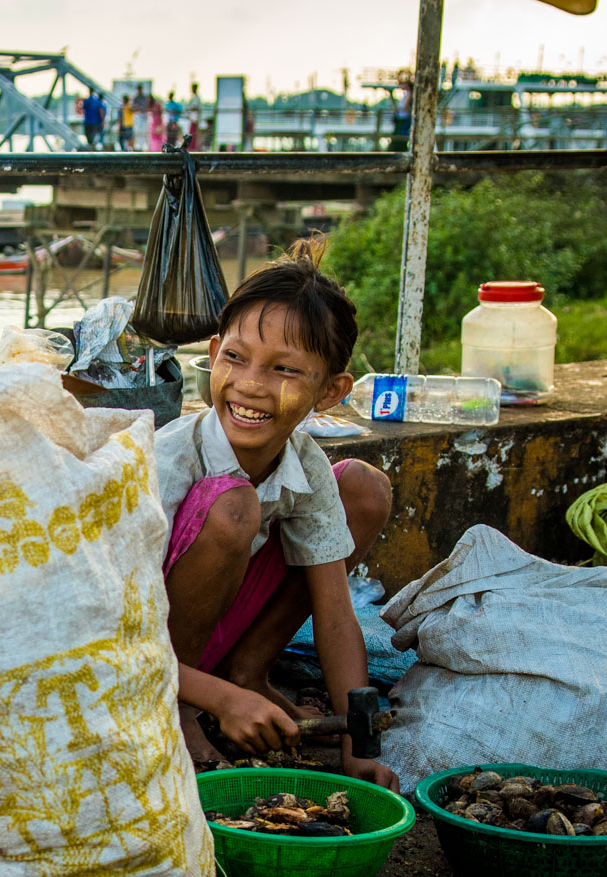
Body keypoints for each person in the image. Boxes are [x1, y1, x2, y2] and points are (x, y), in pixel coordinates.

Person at [153, 238, 398, 792]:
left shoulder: (304, 465)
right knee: (234, 503)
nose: (251, 385)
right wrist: (214, 699)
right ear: (213, 354)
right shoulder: (170, 460)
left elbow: (335, 616)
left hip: (218, 634)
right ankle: (180, 707)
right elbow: (110, 628)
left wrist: (357, 744)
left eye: (285, 369)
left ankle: (248, 675)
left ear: (330, 391)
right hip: (146, 647)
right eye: (235, 358)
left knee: (361, 485)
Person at [392, 76, 413, 152]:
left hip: (404, 117)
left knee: (401, 133)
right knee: (400, 133)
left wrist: (408, 112)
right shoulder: (406, 94)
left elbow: (405, 106)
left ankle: (401, 149)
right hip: (401, 116)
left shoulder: (409, 94)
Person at [186, 81, 203, 151]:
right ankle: (192, 147)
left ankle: (193, 148)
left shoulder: (196, 98)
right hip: (193, 119)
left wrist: (189, 109)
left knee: (193, 134)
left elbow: (195, 107)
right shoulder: (195, 97)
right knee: (192, 134)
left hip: (194, 119)